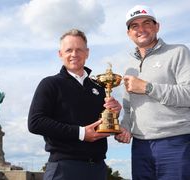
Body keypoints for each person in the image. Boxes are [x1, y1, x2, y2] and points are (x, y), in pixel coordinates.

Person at [114, 5, 190, 180]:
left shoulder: (178, 52)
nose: (141, 29)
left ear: (157, 26)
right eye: (135, 26)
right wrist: (124, 127)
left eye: (147, 23)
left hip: (174, 143)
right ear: (129, 33)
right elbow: (129, 107)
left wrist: (148, 88)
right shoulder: (128, 65)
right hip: (140, 148)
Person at [28, 29, 122, 180]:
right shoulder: (50, 84)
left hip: (98, 169)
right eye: (69, 50)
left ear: (87, 52)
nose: (74, 54)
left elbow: (101, 124)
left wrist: (115, 113)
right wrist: (81, 133)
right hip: (64, 168)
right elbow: (35, 123)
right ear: (60, 54)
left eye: (79, 49)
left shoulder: (99, 87)